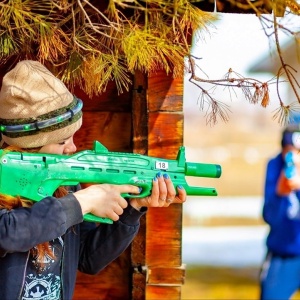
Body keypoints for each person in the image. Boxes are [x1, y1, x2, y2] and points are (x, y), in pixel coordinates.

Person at [0, 60, 187, 300]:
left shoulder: (64, 183)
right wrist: (81, 202)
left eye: (73, 137)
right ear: (30, 144)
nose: (73, 147)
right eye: (61, 141)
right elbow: (7, 233)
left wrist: (134, 207)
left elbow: (89, 258)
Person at [260, 123, 300, 300]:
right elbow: (269, 216)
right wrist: (280, 193)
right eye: (289, 151)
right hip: (282, 253)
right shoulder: (276, 166)